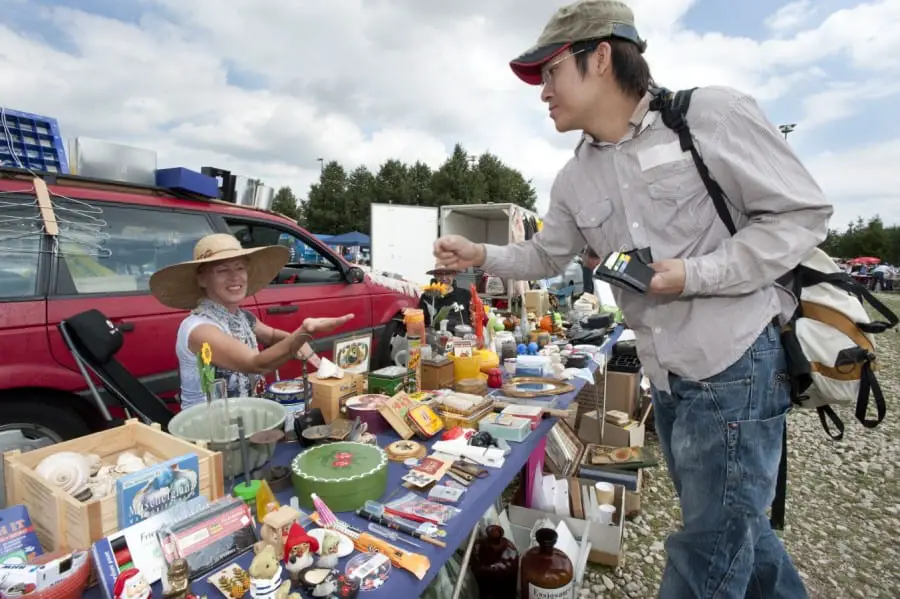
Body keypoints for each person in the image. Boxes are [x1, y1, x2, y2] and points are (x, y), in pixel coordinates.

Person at [434, 1, 832, 597]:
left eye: (549, 72)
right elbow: (547, 257)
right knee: (734, 530)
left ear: (599, 57)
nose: (542, 91)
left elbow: (801, 214)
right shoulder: (574, 177)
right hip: (666, 378)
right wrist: (481, 255)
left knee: (706, 551)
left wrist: (693, 274)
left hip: (735, 363)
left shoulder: (711, 116)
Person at [149, 233, 353, 409]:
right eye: (222, 270)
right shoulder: (200, 329)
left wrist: (298, 343)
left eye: (239, 268)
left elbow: (271, 335)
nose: (234, 277)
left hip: (244, 415)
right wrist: (303, 333)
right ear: (202, 280)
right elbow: (254, 364)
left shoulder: (241, 316)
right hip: (210, 431)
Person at [418, 264, 472, 329]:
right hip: (436, 335)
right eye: (440, 274)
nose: (443, 278)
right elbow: (420, 321)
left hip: (462, 335)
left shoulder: (465, 294)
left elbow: (474, 317)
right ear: (435, 276)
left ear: (453, 275)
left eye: (448, 273)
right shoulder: (427, 296)